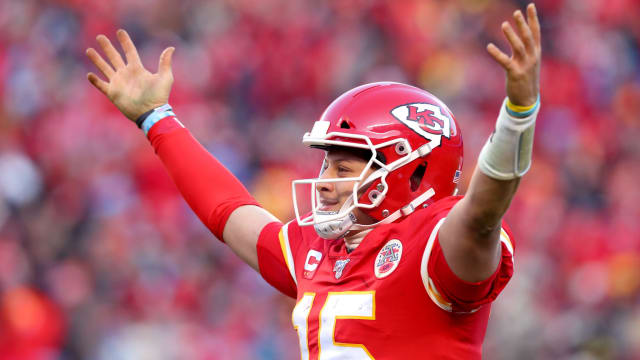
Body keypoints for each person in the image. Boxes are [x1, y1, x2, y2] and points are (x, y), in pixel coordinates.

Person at [86, 3, 541, 359]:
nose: (325, 182)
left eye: (344, 169)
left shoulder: (439, 245)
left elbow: (485, 206)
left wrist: (518, 115)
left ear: (415, 171)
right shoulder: (319, 251)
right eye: (327, 166)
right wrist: (157, 119)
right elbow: (228, 212)